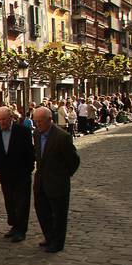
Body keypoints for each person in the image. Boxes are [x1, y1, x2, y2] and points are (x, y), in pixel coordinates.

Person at [32, 107, 80, 253]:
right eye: (36, 121)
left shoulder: (62, 137)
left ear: (49, 120)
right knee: (42, 212)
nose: (38, 124)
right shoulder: (37, 134)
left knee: (59, 215)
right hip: (41, 182)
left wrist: (63, 176)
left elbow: (74, 161)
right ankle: (49, 237)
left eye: (40, 121)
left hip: (58, 183)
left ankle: (57, 242)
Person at [0, 107, 35, 243]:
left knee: (22, 202)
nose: (1, 122)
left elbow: (30, 152)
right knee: (9, 201)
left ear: (11, 118)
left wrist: (29, 169)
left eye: (4, 119)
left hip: (21, 173)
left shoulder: (23, 131)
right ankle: (14, 225)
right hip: (5, 173)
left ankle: (21, 230)